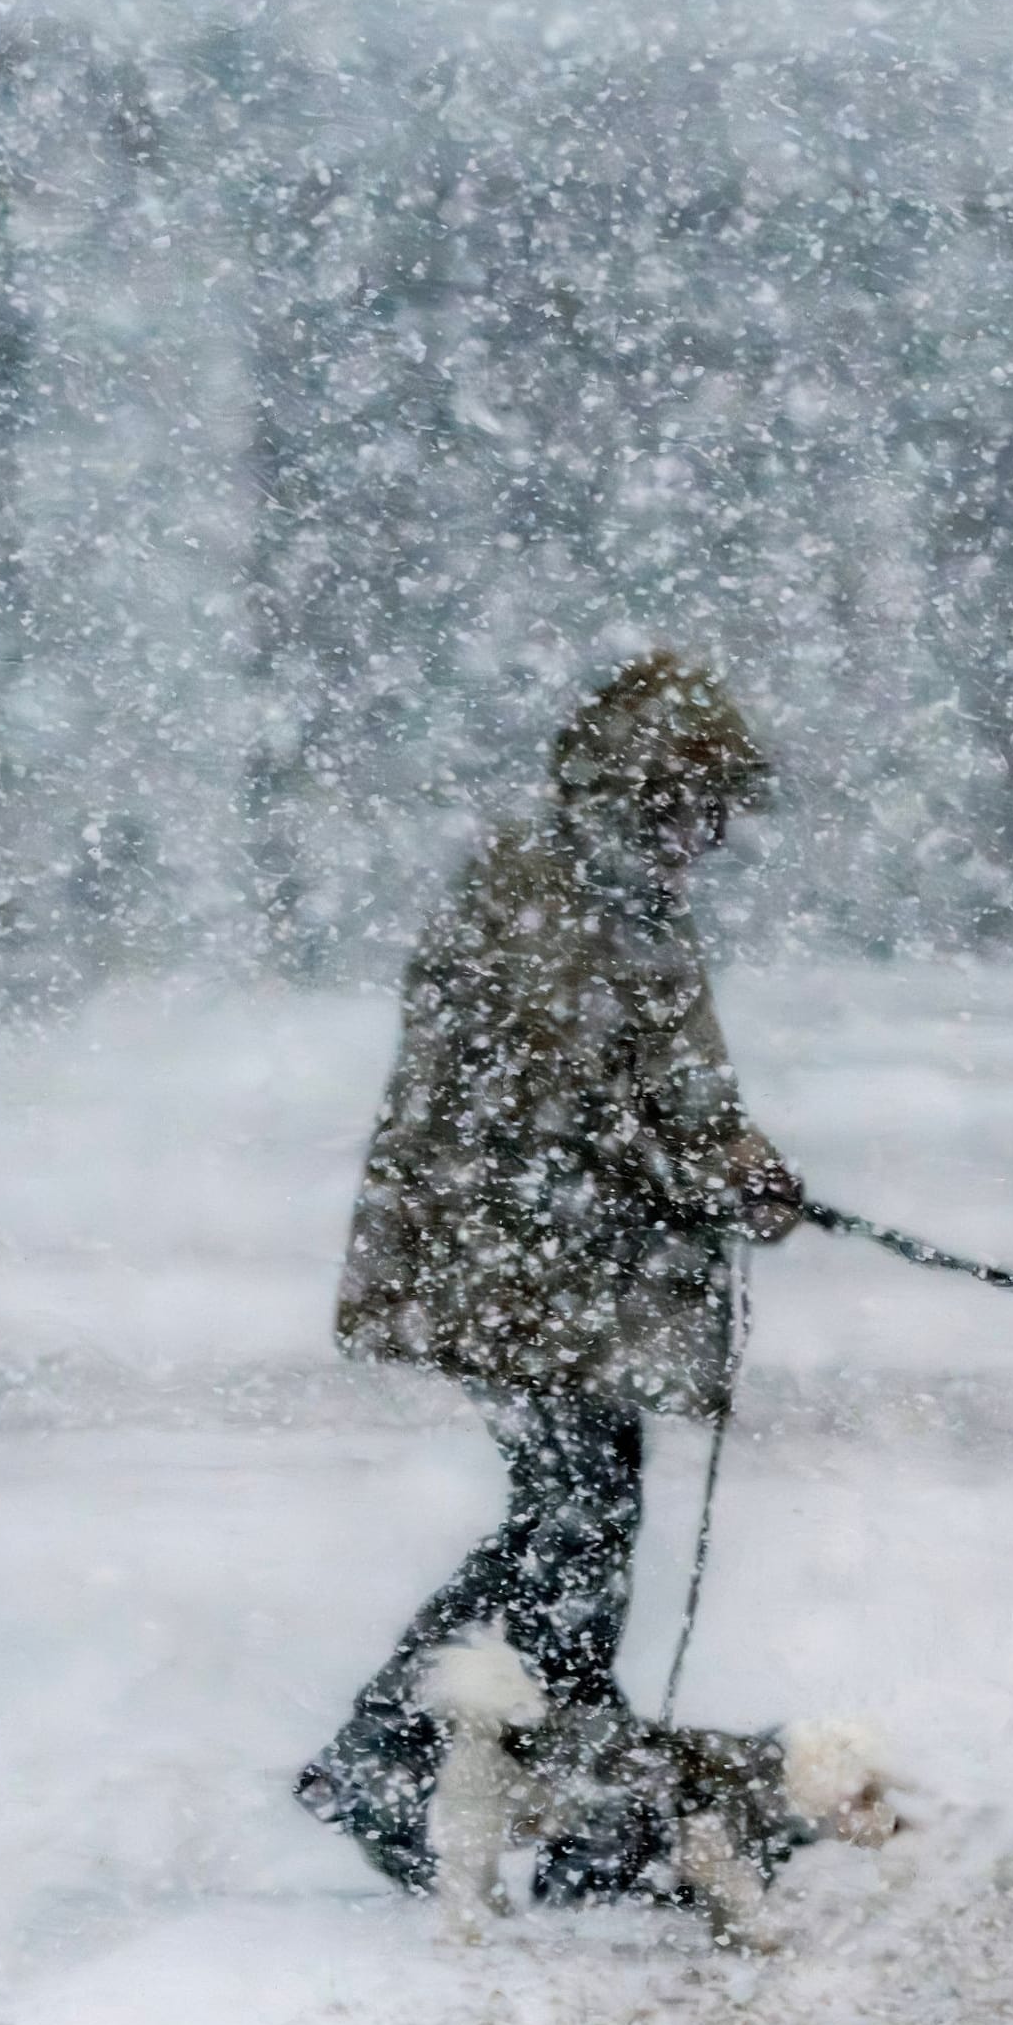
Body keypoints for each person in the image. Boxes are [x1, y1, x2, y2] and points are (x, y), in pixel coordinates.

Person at [298, 655, 805, 1887]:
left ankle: (513, 1761)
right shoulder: (547, 895)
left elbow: (651, 1087)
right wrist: (706, 1172)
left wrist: (729, 1158)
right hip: (519, 1265)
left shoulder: (618, 898)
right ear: (637, 796)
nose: (715, 832)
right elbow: (570, 1093)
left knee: (573, 1520)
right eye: (697, 805)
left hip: (558, 1267)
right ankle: (443, 1755)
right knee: (574, 1522)